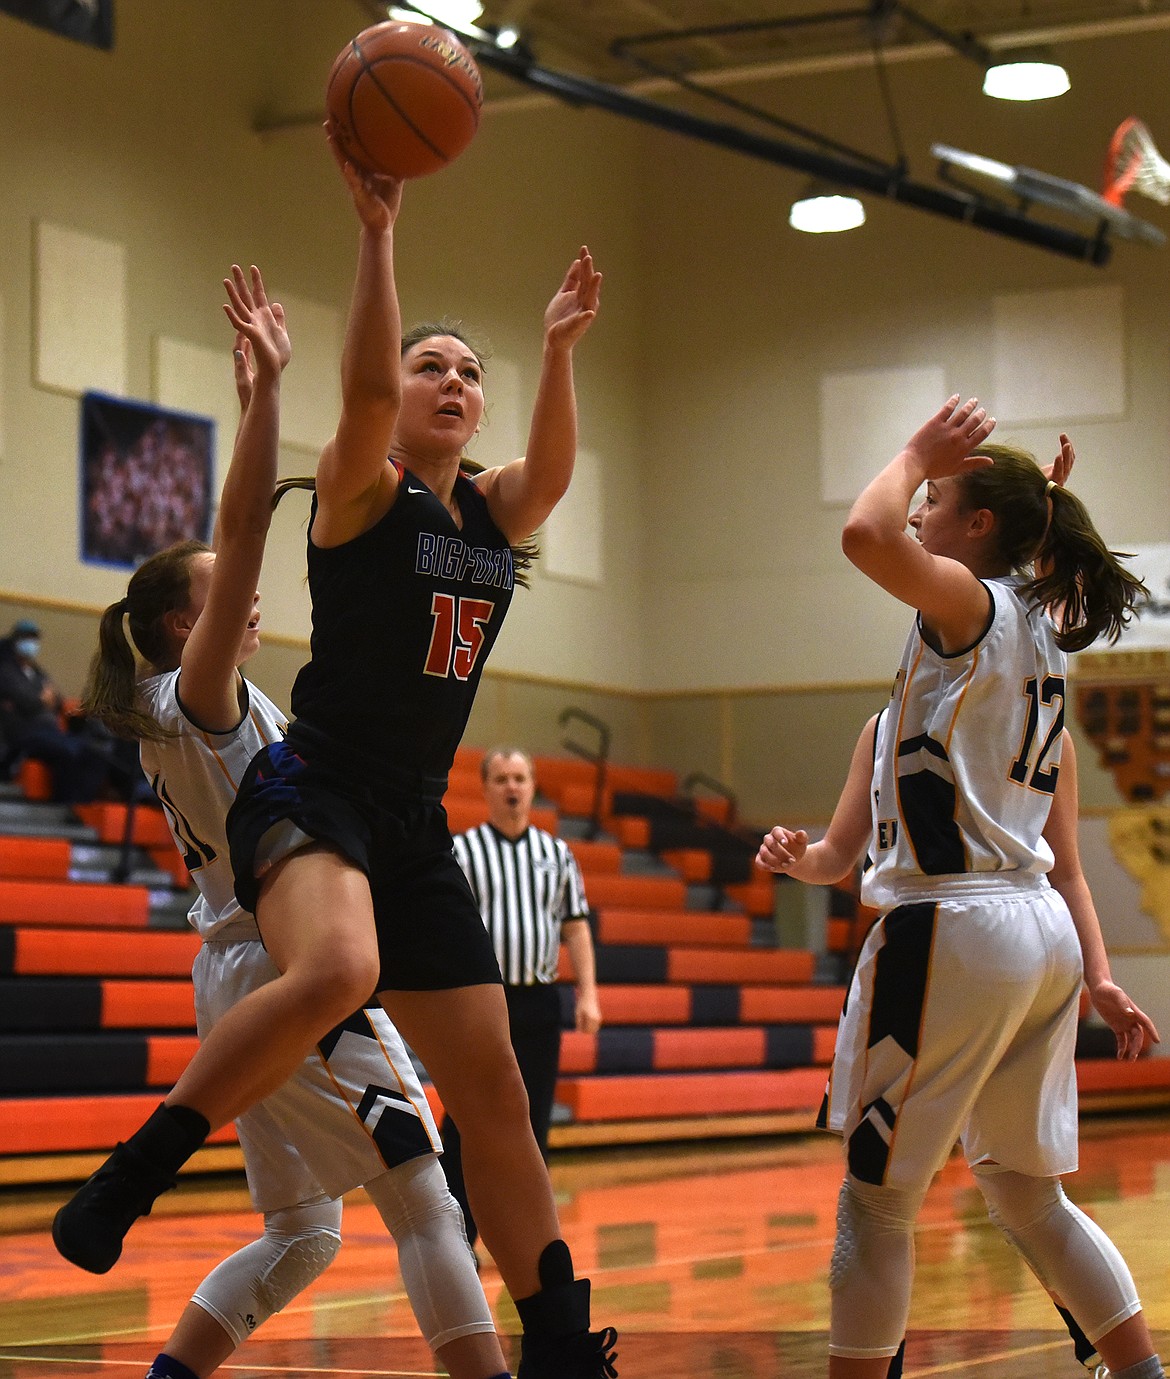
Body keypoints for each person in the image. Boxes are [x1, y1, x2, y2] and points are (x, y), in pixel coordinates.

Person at [54, 130, 615, 1379]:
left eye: (473, 371)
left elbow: (556, 471)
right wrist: (377, 236)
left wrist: (562, 352)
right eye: (433, 365)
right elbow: (359, 395)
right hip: (317, 789)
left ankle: (563, 1345)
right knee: (341, 963)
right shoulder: (363, 491)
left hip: (412, 817)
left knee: (499, 1097)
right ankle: (136, 1170)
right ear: (400, 395)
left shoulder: (490, 510)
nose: (454, 381)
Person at [73, 265, 509, 1379]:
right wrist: (266, 400)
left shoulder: (215, 708)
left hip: (234, 969)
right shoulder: (201, 695)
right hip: (287, 963)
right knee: (427, 1199)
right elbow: (244, 525)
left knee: (306, 1231)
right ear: (187, 620)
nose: (249, 598)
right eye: (223, 591)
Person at [756, 396, 1163, 1379]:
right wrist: (800, 858)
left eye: (933, 503)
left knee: (878, 1195)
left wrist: (912, 451)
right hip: (1038, 938)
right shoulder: (1012, 660)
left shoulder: (972, 610)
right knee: (1028, 1195)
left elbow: (863, 530)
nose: (915, 513)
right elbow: (847, 858)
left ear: (977, 532)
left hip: (954, 926)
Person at [441, 746, 602, 1248]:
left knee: (533, 1118)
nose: (512, 788)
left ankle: (528, 1238)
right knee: (468, 1114)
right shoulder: (463, 852)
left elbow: (575, 927)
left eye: (521, 779)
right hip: (483, 1003)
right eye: (502, 779)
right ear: (486, 788)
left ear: (532, 787)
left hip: (539, 1002)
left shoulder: (557, 853)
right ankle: (458, 1231)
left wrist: (588, 994)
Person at [0, 617, 113, 802]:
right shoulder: (5, 670)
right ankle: (63, 803)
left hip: (49, 730)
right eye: (26, 638)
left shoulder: (36, 671)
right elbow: (25, 702)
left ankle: (79, 805)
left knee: (94, 753)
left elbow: (57, 699)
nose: (31, 644)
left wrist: (43, 700)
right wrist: (42, 699)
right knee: (67, 750)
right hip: (23, 733)